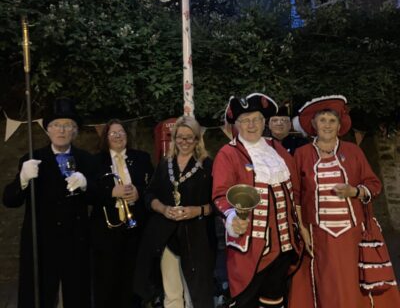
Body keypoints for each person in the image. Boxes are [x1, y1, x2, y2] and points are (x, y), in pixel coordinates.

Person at [288, 95, 400, 308]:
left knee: (350, 286)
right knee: (326, 286)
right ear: (313, 124)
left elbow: (374, 185)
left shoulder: (354, 151)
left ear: (339, 125)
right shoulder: (301, 154)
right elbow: (295, 194)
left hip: (352, 234)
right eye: (322, 120)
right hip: (318, 235)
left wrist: (355, 191)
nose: (327, 125)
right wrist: (302, 229)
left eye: (332, 120)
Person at [212, 93, 302, 308]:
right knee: (246, 300)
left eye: (256, 119)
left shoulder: (277, 148)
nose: (251, 125)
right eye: (245, 120)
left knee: (274, 300)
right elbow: (219, 194)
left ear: (264, 122)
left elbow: (295, 189)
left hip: (283, 244)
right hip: (250, 247)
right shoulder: (228, 153)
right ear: (237, 125)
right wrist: (232, 215)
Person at [2, 97, 94, 308]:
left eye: (67, 125)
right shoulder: (32, 158)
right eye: (55, 125)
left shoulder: (87, 159)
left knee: (77, 295)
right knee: (39, 296)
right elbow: (10, 200)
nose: (61, 130)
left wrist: (87, 184)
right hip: (41, 242)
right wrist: (23, 180)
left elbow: (98, 197)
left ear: (75, 131)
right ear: (47, 131)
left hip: (75, 241)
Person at [134, 116, 215, 308]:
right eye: (180, 137)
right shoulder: (165, 163)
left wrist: (196, 210)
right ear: (174, 138)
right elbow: (149, 194)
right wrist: (163, 209)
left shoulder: (208, 165)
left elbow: (218, 202)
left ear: (197, 139)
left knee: (195, 294)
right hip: (166, 236)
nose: (184, 142)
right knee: (171, 294)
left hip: (197, 237)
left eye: (189, 137)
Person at [90, 119, 154, 308]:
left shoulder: (142, 157)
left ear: (127, 136)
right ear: (105, 138)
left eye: (121, 132)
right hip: (106, 230)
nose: (118, 136)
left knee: (133, 278)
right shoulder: (95, 161)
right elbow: (90, 191)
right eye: (113, 133)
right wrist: (111, 192)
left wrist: (139, 192)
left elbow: (152, 187)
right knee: (107, 280)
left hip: (135, 230)